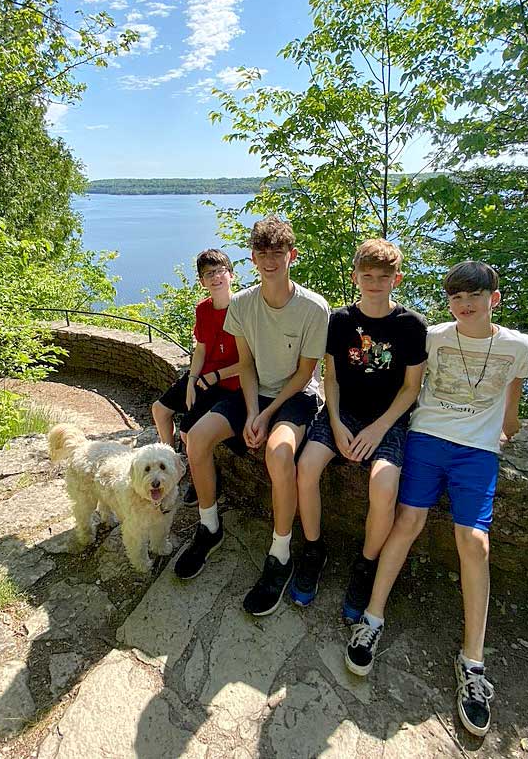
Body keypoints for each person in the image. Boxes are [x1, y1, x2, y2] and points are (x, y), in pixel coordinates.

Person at [344, 260, 528, 739]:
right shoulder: (434, 336)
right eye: (456, 297)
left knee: (474, 542)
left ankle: (473, 664)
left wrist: (504, 430)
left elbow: (510, 412)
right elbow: (403, 383)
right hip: (428, 437)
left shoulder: (517, 347)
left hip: (477, 452)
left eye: (474, 296)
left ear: (494, 298)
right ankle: (372, 617)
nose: (465, 305)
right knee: (407, 521)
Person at [174, 216, 330, 617]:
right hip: (253, 392)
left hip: (295, 397)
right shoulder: (242, 304)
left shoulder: (313, 308)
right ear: (252, 258)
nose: (269, 260)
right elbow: (246, 365)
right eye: (262, 253)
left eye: (277, 253)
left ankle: (281, 554)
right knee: (197, 436)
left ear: (291, 255)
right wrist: (252, 411)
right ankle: (210, 526)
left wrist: (268, 413)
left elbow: (304, 373)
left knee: (279, 454)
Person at [290, 239, 427, 619]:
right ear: (356, 277)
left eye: (384, 277)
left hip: (388, 420)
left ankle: (366, 564)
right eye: (368, 276)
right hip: (343, 413)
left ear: (396, 279)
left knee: (384, 485)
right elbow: (328, 378)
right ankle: (314, 549)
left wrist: (379, 429)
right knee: (306, 467)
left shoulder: (411, 326)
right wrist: (334, 422)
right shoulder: (341, 320)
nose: (375, 283)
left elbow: (411, 388)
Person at [151, 248, 240, 494]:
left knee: (188, 432)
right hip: (202, 377)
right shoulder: (203, 309)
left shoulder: (243, 309)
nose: (215, 277)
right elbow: (200, 349)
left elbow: (251, 361)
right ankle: (169, 465)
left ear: (231, 274)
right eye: (208, 273)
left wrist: (214, 377)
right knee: (160, 410)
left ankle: (200, 474)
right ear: (202, 282)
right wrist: (190, 380)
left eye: (220, 271)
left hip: (228, 383)